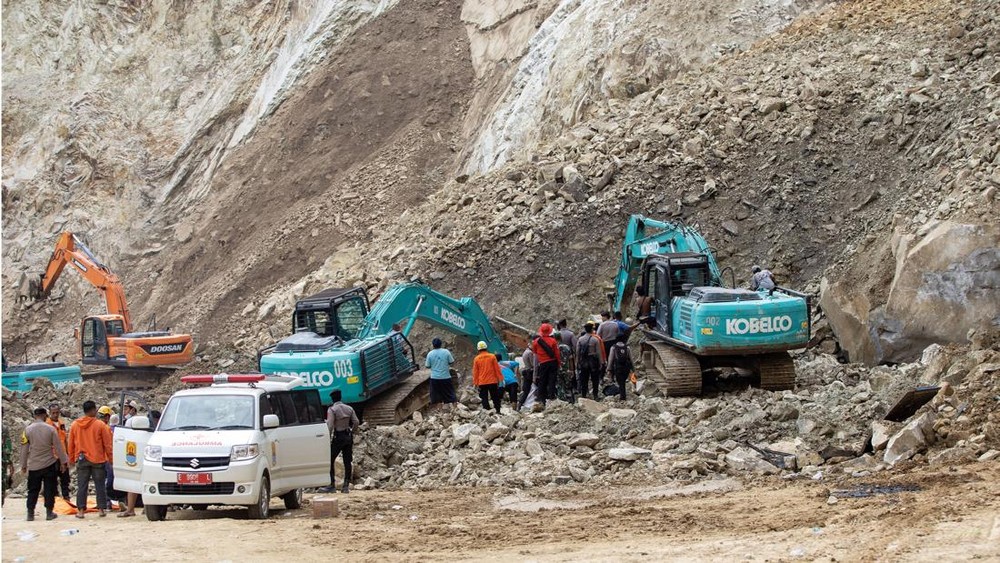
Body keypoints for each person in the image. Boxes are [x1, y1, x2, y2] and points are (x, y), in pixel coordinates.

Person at [20, 407, 69, 521]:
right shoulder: (50, 429)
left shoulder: (27, 430)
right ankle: (49, 513)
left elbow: (24, 449)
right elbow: (58, 447)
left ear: (35, 416)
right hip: (49, 464)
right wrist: (63, 462)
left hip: (34, 465)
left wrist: (23, 465)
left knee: (33, 490)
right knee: (49, 489)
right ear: (44, 415)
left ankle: (30, 513)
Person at [68, 400, 113, 518]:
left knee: (82, 485)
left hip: (82, 459)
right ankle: (102, 509)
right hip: (98, 459)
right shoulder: (101, 425)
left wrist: (71, 459)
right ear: (93, 410)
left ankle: (81, 511)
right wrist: (111, 459)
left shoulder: (75, 425)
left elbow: (71, 443)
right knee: (100, 485)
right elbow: (108, 445)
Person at [325, 389, 358, 493]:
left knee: (330, 459)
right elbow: (356, 422)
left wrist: (327, 438)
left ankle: (331, 485)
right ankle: (346, 486)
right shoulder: (349, 408)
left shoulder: (332, 410)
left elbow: (330, 426)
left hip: (338, 437)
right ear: (340, 397)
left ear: (332, 399)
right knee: (347, 461)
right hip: (348, 436)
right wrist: (352, 431)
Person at [45, 403, 71, 500]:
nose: (55, 415)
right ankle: (55, 498)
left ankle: (66, 496)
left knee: (65, 478)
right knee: (52, 479)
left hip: (63, 455)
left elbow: (65, 439)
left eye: (57, 412)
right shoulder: (47, 425)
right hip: (52, 457)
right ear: (50, 413)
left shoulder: (61, 423)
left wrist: (67, 454)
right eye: (53, 413)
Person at [531, 324, 561, 407]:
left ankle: (541, 399)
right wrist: (559, 363)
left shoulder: (536, 342)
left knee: (542, 381)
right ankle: (551, 397)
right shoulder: (553, 341)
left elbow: (535, 353)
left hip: (543, 363)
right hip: (552, 362)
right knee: (552, 380)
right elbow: (557, 353)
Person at [472, 342, 503, 414]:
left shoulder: (476, 359)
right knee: (495, 396)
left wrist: (475, 383)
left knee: (484, 397)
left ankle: (487, 411)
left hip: (482, 381)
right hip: (492, 381)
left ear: (478, 349)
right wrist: (500, 379)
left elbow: (475, 372)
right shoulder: (492, 356)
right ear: (486, 347)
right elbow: (497, 369)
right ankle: (498, 411)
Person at [425, 338, 456, 409]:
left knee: (437, 396)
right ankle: (455, 409)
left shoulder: (430, 354)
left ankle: (440, 412)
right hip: (446, 377)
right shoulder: (446, 352)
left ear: (433, 345)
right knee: (450, 393)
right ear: (441, 344)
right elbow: (451, 362)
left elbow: (427, 366)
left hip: (435, 378)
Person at [577, 323, 604, 400]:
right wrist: (601, 362)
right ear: (592, 329)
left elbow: (578, 352)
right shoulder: (595, 339)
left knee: (584, 379)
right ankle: (595, 395)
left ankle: (584, 395)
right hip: (593, 361)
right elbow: (598, 352)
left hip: (584, 361)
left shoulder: (580, 339)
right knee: (595, 379)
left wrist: (577, 362)